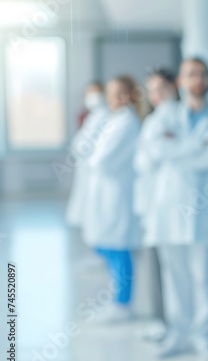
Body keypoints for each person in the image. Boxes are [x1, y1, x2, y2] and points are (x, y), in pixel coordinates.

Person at [142, 58, 208, 360]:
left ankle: (204, 337)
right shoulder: (162, 116)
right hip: (169, 209)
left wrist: (179, 147)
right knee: (175, 276)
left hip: (206, 211)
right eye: (190, 74)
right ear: (180, 82)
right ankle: (178, 334)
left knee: (204, 278)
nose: (197, 78)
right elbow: (156, 150)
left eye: (202, 73)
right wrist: (198, 143)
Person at [83, 75, 142, 322]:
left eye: (120, 92)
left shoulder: (127, 121)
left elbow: (100, 159)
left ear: (130, 94)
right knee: (107, 244)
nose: (114, 97)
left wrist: (93, 158)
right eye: (111, 92)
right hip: (105, 192)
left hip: (117, 193)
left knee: (119, 247)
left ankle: (122, 304)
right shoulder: (115, 119)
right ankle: (117, 299)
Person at [133, 68, 179, 340]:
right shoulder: (154, 120)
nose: (155, 95)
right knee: (155, 264)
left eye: (160, 88)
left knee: (168, 268)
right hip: (151, 202)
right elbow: (146, 160)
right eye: (151, 90)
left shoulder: (176, 116)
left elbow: (163, 155)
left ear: (174, 86)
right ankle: (161, 318)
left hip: (167, 203)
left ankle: (166, 321)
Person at [66, 82, 108, 228]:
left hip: (94, 166)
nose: (92, 97)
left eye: (96, 93)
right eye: (89, 93)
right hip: (85, 166)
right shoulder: (91, 116)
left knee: (95, 207)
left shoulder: (105, 115)